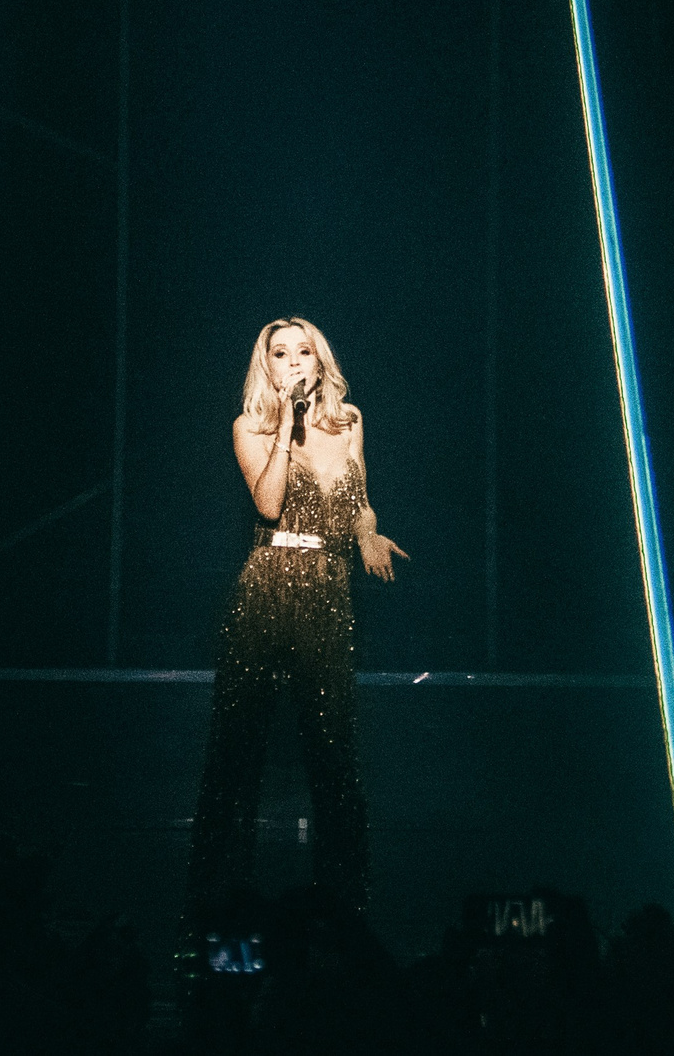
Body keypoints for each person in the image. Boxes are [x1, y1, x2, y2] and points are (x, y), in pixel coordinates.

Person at [183, 317, 408, 937]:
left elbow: (358, 497)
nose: (291, 363)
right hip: (270, 582)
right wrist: (286, 426)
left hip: (329, 591)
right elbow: (268, 504)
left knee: (333, 747)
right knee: (239, 745)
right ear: (268, 367)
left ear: (319, 360)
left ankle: (344, 906)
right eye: (279, 354)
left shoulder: (350, 419)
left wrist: (367, 534)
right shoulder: (250, 427)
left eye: (302, 352)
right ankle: (215, 905)